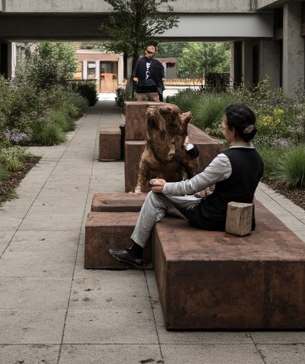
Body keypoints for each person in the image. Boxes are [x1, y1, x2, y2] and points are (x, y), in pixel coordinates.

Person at [109, 103, 263, 268]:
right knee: (171, 200)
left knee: (155, 196)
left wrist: (165, 186)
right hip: (243, 220)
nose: (222, 128)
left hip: (212, 217)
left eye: (224, 125)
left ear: (233, 130)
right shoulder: (258, 158)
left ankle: (136, 252)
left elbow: (192, 186)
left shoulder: (226, 159)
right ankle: (158, 214)